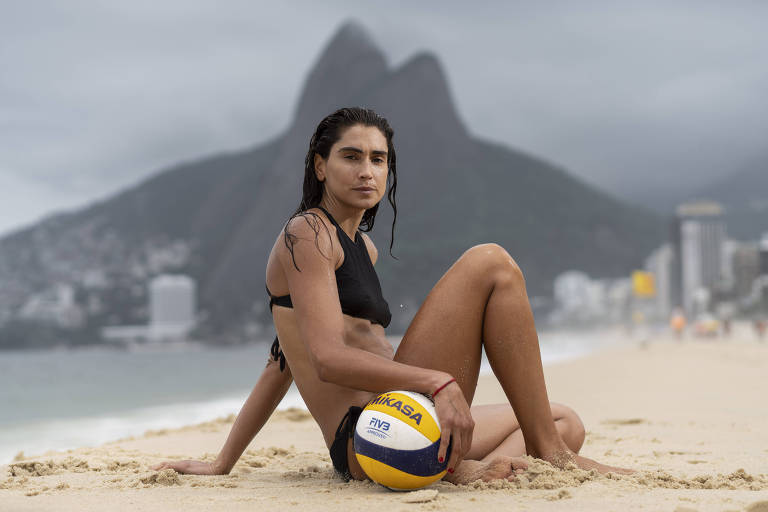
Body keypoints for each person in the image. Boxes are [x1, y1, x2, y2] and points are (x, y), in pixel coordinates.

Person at [152, 107, 630, 483]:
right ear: (320, 166)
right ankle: (543, 459)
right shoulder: (307, 234)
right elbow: (323, 360)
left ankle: (473, 469)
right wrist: (437, 383)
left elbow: (281, 363)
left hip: (406, 417)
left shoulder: (364, 247)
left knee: (564, 421)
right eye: (351, 156)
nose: (367, 171)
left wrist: (223, 461)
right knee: (492, 263)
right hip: (371, 434)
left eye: (378, 160)